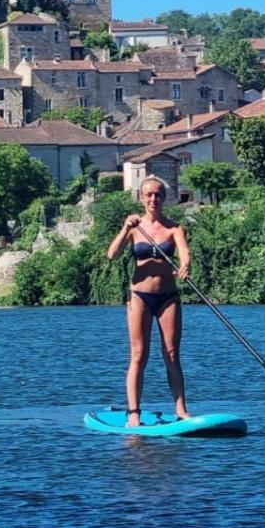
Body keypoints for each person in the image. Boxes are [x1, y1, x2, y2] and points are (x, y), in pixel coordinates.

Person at [105, 176, 191, 426]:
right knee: (139, 354)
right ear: (142, 198)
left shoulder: (174, 229)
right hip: (139, 296)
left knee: (172, 354)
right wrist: (124, 227)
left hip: (168, 296)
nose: (154, 199)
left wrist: (185, 265)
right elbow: (112, 254)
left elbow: (185, 252)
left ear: (164, 198)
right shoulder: (134, 227)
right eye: (149, 195)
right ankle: (134, 413)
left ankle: (182, 410)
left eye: (158, 195)